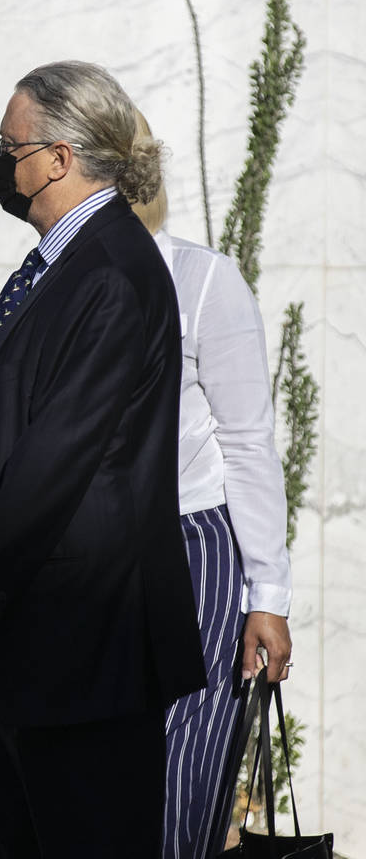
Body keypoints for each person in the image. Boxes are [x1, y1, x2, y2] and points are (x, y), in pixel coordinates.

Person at [0, 61, 207, 858]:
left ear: (60, 157)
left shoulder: (107, 272)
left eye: (11, 144)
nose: (3, 161)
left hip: (77, 654)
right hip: (27, 652)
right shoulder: (67, 263)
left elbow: (53, 465)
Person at [130, 110, 293, 859]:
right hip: (88, 559)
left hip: (192, 546)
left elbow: (249, 441)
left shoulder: (199, 280)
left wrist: (267, 595)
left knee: (181, 777)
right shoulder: (50, 279)